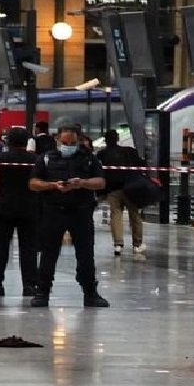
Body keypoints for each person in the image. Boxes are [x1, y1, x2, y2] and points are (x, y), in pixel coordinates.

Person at [29, 130, 109, 309]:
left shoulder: (89, 158)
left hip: (81, 212)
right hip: (53, 211)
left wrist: (82, 183)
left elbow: (101, 182)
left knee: (86, 254)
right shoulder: (46, 158)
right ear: (57, 140)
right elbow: (33, 183)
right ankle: (42, 292)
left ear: (78, 142)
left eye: (72, 143)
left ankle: (90, 293)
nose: (68, 146)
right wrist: (52, 186)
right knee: (49, 254)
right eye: (65, 142)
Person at [0, 127, 40, 297]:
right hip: (29, 207)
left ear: (7, 140)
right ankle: (30, 285)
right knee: (28, 248)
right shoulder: (36, 159)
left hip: (3, 206)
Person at [97, 128, 148, 257]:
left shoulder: (102, 154)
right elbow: (141, 164)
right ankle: (137, 244)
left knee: (115, 215)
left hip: (112, 189)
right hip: (130, 188)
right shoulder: (129, 151)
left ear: (105, 140)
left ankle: (118, 244)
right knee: (135, 215)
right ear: (118, 138)